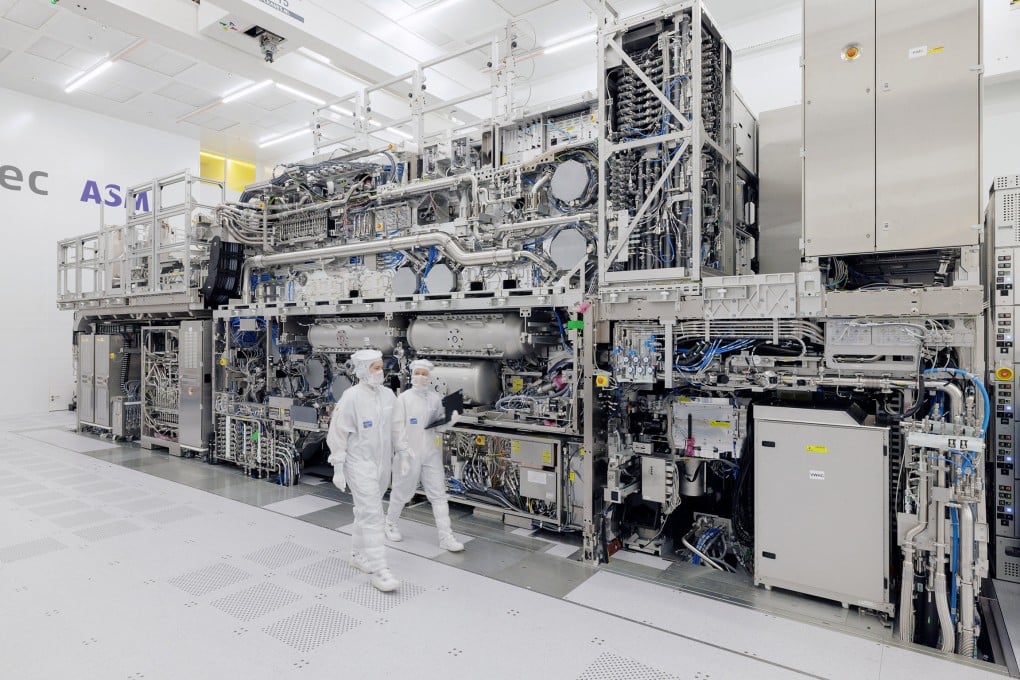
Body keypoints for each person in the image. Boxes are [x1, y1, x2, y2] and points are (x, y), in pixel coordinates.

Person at [327, 348, 407, 592]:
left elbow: (397, 427)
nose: (380, 372)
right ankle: (380, 570)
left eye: (381, 367)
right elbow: (337, 434)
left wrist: (403, 452)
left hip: (382, 464)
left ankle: (356, 554)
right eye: (375, 367)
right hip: (358, 463)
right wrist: (338, 467)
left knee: (364, 511)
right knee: (374, 514)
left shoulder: (388, 397)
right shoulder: (351, 398)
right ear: (362, 370)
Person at [385, 359, 465, 553]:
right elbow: (396, 428)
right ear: (412, 375)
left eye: (424, 374)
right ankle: (389, 523)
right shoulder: (404, 399)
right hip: (408, 454)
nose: (421, 377)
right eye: (417, 373)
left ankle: (446, 537)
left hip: (430, 453)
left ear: (429, 377)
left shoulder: (434, 399)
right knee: (401, 493)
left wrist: (451, 421)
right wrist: (402, 451)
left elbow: (437, 427)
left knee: (438, 494)